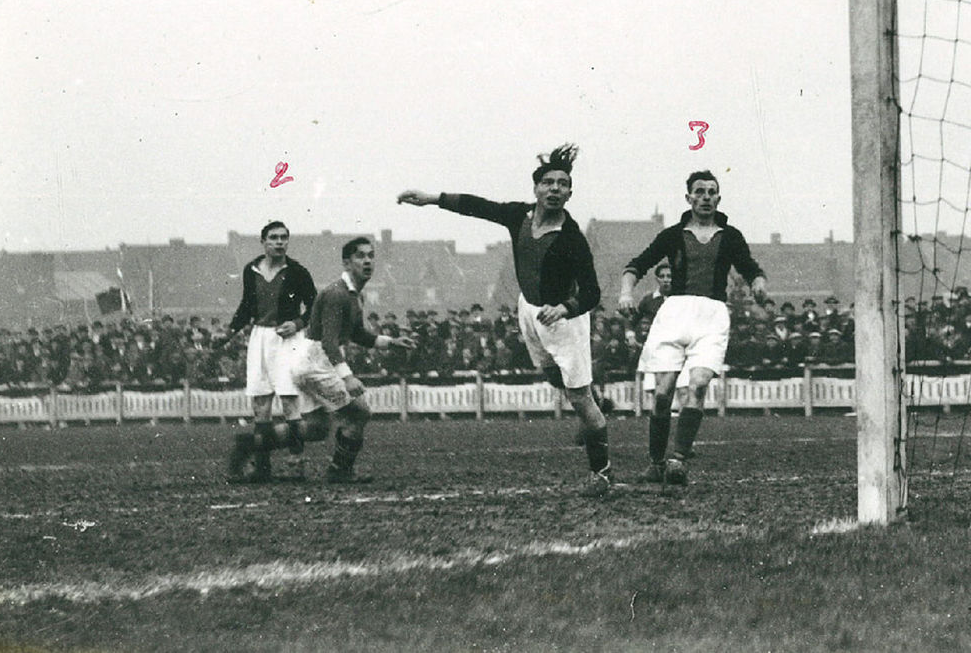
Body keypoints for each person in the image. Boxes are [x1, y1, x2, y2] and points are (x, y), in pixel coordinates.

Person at [398, 143, 616, 493]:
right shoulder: (520, 216)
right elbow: (478, 206)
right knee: (550, 375)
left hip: (564, 320)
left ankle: (602, 473)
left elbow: (592, 292)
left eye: (563, 184)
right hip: (529, 310)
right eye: (549, 182)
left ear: (570, 192)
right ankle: (597, 401)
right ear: (536, 188)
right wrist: (431, 198)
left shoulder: (572, 238)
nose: (555, 189)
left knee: (579, 399)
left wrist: (565, 308)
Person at [618, 170, 769, 486]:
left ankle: (678, 461)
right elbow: (637, 264)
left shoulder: (730, 236)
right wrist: (625, 292)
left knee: (698, 385)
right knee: (662, 395)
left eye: (711, 192)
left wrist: (758, 283)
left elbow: (751, 268)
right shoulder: (673, 235)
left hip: (712, 315)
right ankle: (656, 462)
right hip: (675, 313)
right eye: (699, 192)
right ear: (688, 198)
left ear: (718, 198)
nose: (705, 197)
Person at [288, 236, 412, 483]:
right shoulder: (337, 295)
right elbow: (329, 341)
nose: (367, 261)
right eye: (360, 256)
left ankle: (254, 443)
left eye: (371, 256)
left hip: (311, 361)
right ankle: (339, 471)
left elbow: (357, 334)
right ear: (346, 263)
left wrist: (390, 342)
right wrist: (348, 377)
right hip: (316, 362)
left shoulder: (354, 295)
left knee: (316, 428)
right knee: (359, 413)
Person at [224, 220, 317, 483]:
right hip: (260, 338)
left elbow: (314, 306)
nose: (279, 242)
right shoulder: (251, 270)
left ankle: (296, 464)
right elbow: (246, 306)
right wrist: (230, 331)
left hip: (287, 339)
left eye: (283, 238)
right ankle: (261, 467)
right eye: (274, 238)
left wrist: (298, 323)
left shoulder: (298, 272)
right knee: (260, 403)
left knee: (289, 402)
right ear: (263, 242)